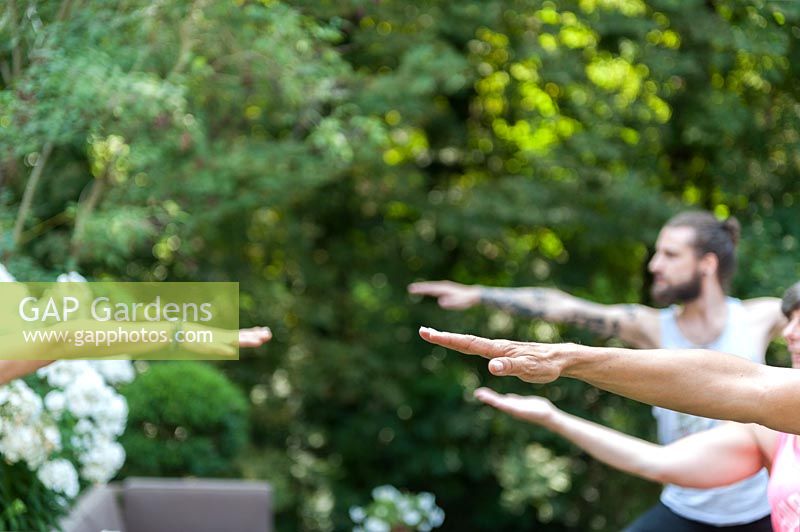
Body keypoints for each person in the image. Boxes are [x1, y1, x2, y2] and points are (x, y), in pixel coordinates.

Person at [410, 211, 785, 530]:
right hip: (684, 505)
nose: (655, 265)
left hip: (760, 511)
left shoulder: (760, 318)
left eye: (670, 255)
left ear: (707, 263)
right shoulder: (651, 327)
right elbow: (561, 305)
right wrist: (479, 294)